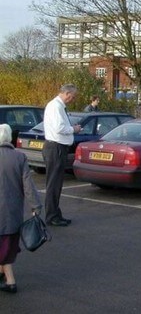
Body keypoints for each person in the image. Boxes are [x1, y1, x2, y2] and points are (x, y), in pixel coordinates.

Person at [0, 124, 42, 294]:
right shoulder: (20, 157)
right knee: (7, 245)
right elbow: (28, 185)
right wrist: (35, 206)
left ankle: (10, 281)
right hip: (12, 213)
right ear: (9, 137)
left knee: (3, 247)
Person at [42, 84, 82, 227]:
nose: (73, 99)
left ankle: (55, 213)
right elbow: (59, 128)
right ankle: (51, 216)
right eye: (72, 96)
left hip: (56, 147)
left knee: (56, 183)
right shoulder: (56, 107)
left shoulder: (57, 106)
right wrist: (74, 129)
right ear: (66, 93)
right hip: (55, 148)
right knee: (54, 184)